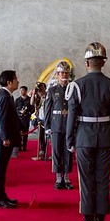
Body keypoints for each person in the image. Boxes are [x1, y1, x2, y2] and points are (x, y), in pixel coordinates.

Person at [66, 42, 110, 221]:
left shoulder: (77, 85)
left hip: (84, 138)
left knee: (86, 182)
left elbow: (72, 116)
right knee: (102, 181)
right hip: (106, 137)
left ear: (87, 62)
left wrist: (69, 140)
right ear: (103, 63)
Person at [0, 70, 21, 209]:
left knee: (2, 170)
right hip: (1, 141)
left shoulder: (7, 96)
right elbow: (1, 119)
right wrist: (5, 137)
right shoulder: (3, 96)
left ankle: (2, 196)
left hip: (4, 139)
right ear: (9, 82)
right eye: (15, 79)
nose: (18, 81)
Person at [44, 61, 74, 190]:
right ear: (57, 74)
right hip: (56, 125)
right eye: (62, 72)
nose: (64, 75)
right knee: (56, 152)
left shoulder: (73, 89)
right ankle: (58, 178)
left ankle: (66, 177)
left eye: (66, 72)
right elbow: (47, 109)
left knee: (68, 152)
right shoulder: (52, 90)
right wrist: (47, 126)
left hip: (69, 124)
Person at [14, 85, 33, 154]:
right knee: (17, 133)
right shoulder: (17, 100)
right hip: (18, 119)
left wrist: (27, 112)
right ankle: (18, 146)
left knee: (25, 133)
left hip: (26, 118)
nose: (22, 92)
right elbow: (14, 109)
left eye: (23, 90)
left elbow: (32, 109)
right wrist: (19, 112)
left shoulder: (29, 99)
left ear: (26, 91)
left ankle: (24, 146)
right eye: (21, 91)